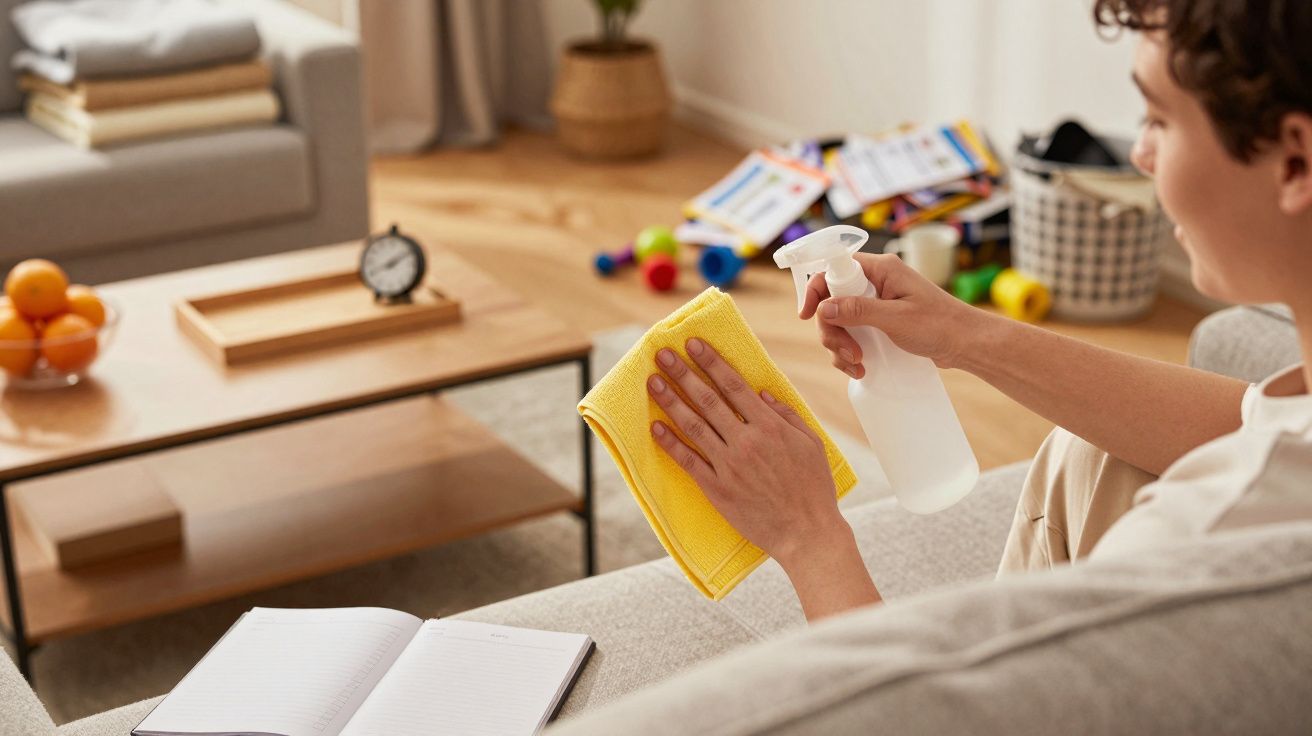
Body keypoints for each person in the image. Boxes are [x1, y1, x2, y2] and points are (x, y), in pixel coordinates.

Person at [644, 0, 1312, 623]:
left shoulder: (1210, 529)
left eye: (1160, 120)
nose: (1139, 154)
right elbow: (1251, 423)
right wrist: (961, 335)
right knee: (1096, 451)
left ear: (1295, 162)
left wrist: (806, 532)